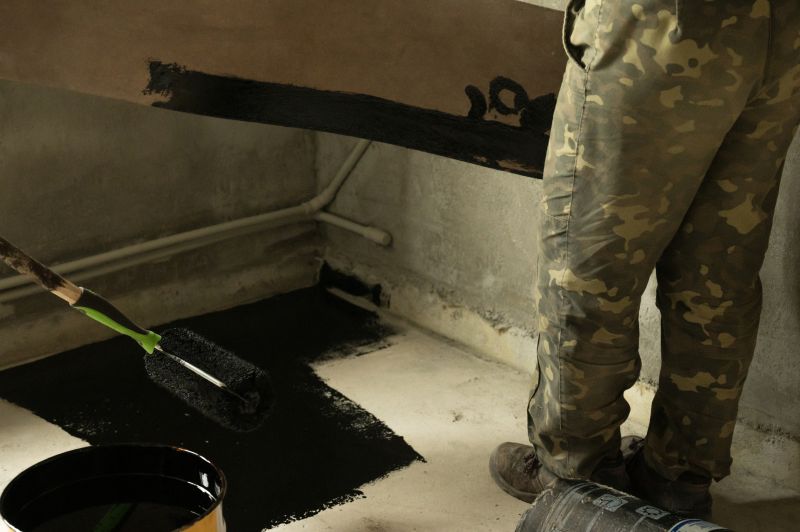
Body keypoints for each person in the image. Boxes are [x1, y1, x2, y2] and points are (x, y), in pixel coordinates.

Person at [489, 0, 800, 520]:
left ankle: (577, 479)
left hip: (663, 25)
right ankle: (679, 477)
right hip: (781, 32)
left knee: (589, 267)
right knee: (717, 277)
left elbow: (586, 275)